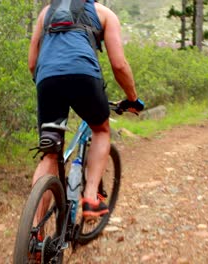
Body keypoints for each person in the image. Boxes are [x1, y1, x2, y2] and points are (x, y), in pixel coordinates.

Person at [28, 0, 144, 219]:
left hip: (47, 80)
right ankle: (91, 198)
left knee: (50, 154)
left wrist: (50, 87)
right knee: (100, 129)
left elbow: (32, 63)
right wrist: (132, 99)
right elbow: (119, 65)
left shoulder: (46, 13)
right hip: (84, 76)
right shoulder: (104, 13)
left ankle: (35, 233)